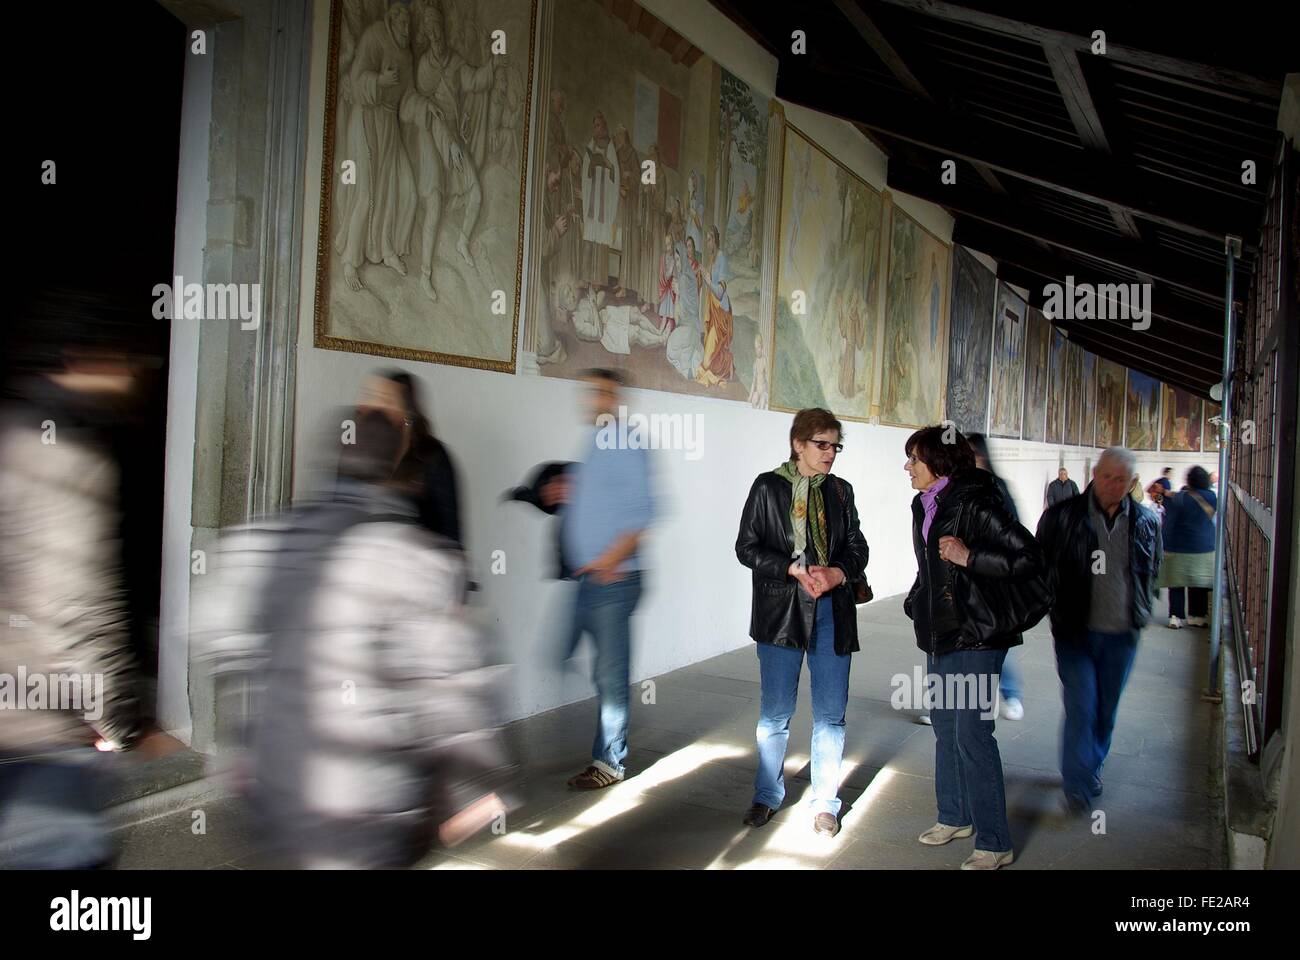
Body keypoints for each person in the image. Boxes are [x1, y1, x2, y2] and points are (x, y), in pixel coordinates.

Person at [193, 406, 511, 868]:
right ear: (400, 472)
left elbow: (213, 636)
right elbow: (450, 689)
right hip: (365, 802)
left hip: (273, 790)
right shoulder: (412, 558)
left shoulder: (255, 540)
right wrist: (474, 789)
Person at [903, 426, 1046, 869]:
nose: (907, 467)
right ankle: (954, 816)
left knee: (971, 734)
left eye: (914, 458)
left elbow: (1031, 557)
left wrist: (970, 558)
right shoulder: (925, 502)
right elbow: (929, 561)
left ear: (938, 463)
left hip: (977, 632)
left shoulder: (976, 501)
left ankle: (995, 841)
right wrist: (918, 597)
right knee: (945, 725)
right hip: (941, 630)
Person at [735, 408, 868, 837]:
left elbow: (857, 546)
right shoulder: (767, 486)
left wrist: (838, 572)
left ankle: (825, 802)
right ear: (799, 444)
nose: (830, 453)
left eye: (835, 446)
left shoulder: (842, 492)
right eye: (822, 444)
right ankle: (767, 795)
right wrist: (791, 568)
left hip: (833, 611)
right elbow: (746, 547)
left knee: (831, 715)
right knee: (775, 714)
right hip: (782, 613)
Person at [1036, 447, 1162, 811]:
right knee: (1081, 705)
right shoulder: (1062, 517)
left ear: (1132, 483)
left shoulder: (1146, 521)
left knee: (1106, 709)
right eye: (1106, 476)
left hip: (1122, 634)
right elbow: (1040, 564)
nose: (1112, 485)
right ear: (1094, 474)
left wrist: (1142, 609)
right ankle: (1076, 784)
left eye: (1121, 479)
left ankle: (1090, 767)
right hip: (1075, 630)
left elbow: (1152, 568)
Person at [550, 370, 656, 789]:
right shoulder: (596, 443)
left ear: (616, 399)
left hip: (614, 580)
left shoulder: (625, 441)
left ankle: (610, 762)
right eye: (591, 392)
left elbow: (644, 511)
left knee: (610, 676)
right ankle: (603, 746)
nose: (594, 399)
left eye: (603, 393)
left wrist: (612, 559)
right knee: (569, 658)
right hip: (589, 578)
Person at [360, 371, 463, 546]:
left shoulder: (433, 455)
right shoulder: (367, 451)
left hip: (421, 561)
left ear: (407, 410)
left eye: (387, 400)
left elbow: (450, 529)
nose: (377, 407)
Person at [968, 433, 1025, 721]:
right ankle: (947, 703)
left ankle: (1011, 694)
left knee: (996, 640)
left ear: (982, 455)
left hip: (993, 578)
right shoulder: (957, 487)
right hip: (964, 579)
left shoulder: (997, 488)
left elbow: (1013, 534)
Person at [1158, 466, 1216, 629]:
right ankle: (1197, 616)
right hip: (1203, 547)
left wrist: (1165, 544)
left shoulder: (1181, 498)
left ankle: (1176, 616)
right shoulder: (1212, 497)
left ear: (1189, 480)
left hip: (1178, 546)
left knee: (1176, 582)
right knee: (1198, 582)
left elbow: (1169, 515)